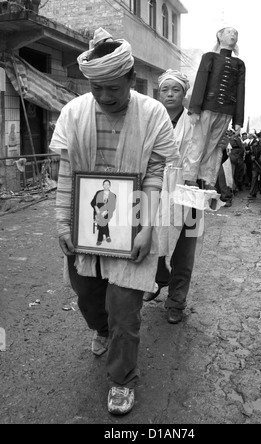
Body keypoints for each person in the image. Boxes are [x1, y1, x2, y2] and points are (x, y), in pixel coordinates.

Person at [49, 27, 179, 416]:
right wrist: (62, 223)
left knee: (125, 308)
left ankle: (122, 379)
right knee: (88, 297)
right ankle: (101, 329)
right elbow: (67, 173)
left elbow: (156, 172)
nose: (105, 97)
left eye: (113, 89)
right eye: (96, 89)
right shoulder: (73, 113)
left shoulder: (153, 113)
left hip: (136, 221)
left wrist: (147, 226)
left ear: (130, 78)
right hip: (87, 224)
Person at [143, 69, 203, 325]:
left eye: (175, 89)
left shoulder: (195, 122)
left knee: (184, 248)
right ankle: (159, 277)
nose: (169, 94)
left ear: (184, 93)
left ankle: (177, 300)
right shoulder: (150, 119)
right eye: (165, 90)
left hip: (188, 191)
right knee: (150, 238)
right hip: (154, 187)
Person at [186, 26, 246, 189]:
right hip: (207, 107)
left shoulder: (240, 64)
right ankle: (190, 176)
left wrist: (238, 119)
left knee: (215, 147)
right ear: (219, 35)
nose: (233, 34)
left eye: (236, 33)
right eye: (229, 32)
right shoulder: (209, 57)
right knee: (198, 142)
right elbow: (201, 80)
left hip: (227, 110)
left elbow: (240, 90)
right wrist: (195, 108)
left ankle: (208, 179)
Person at [91, 179, 116, 246]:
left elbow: (112, 207)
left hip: (106, 213)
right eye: (104, 184)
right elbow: (92, 203)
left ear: (110, 186)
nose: (106, 186)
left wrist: (106, 212)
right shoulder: (98, 193)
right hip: (98, 212)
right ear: (102, 185)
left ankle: (99, 239)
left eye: (107, 184)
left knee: (103, 219)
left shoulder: (113, 195)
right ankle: (107, 235)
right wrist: (97, 209)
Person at [248, 130, 261, 199]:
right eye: (260, 137)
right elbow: (251, 153)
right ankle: (252, 193)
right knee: (254, 178)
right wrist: (252, 157)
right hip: (255, 164)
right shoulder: (254, 145)